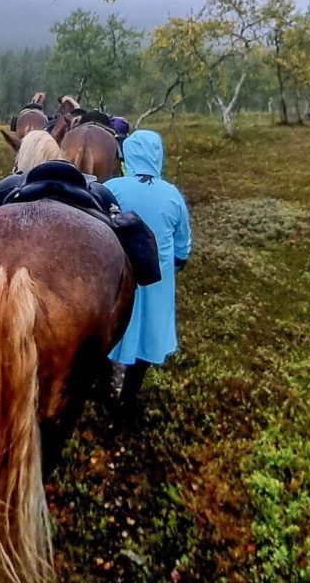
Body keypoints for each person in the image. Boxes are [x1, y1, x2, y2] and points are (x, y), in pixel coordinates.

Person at [105, 129, 192, 414]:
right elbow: (183, 246)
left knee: (110, 330)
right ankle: (128, 397)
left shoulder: (113, 188)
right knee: (149, 334)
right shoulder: (172, 195)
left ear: (129, 155)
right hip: (156, 279)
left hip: (117, 278)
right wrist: (178, 260)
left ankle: (105, 385)